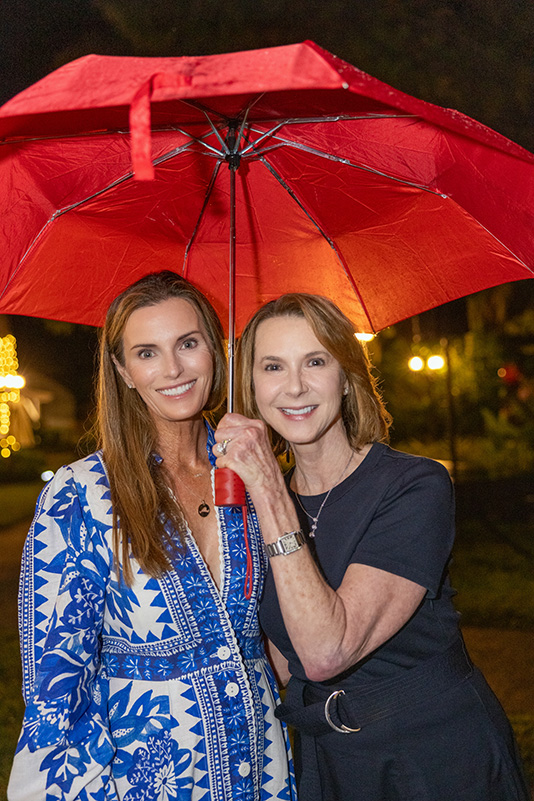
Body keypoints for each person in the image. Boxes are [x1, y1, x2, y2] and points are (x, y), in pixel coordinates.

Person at [213, 292, 530, 801]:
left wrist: (268, 490)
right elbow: (281, 662)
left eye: (316, 361)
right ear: (250, 387)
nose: (294, 386)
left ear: (346, 375)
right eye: (272, 366)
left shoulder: (414, 486)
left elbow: (327, 652)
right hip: (329, 762)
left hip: (435, 756)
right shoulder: (256, 512)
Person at [8, 271, 296, 801]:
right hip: (143, 780)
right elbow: (56, 694)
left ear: (215, 349)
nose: (173, 369)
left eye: (188, 343)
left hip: (260, 769)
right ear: (122, 370)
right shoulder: (81, 496)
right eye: (147, 353)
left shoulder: (253, 473)